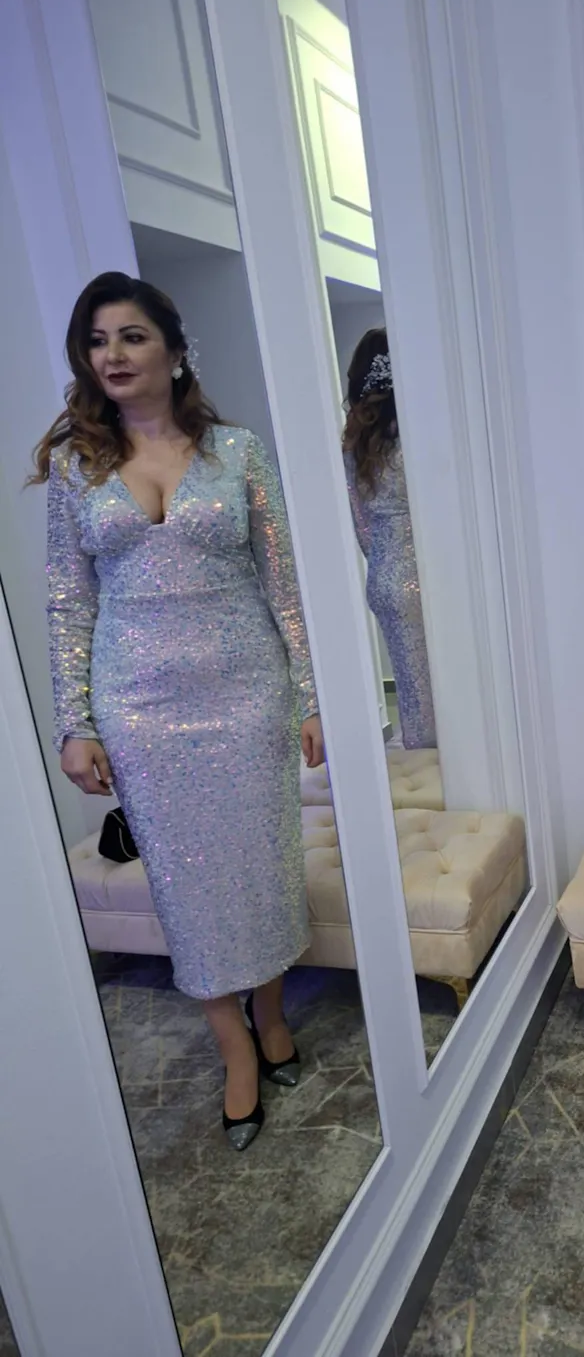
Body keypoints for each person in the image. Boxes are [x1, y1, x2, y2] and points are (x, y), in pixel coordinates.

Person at [33, 272, 324, 1152]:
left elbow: (285, 585)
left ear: (173, 347)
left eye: (131, 336)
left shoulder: (238, 452)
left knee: (262, 868)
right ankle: (234, 1046)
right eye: (97, 341)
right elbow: (66, 604)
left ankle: (271, 1012)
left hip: (246, 697)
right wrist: (77, 722)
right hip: (141, 710)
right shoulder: (77, 469)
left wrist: (310, 696)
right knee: (185, 887)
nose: (113, 355)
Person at [342, 328, 437, 751]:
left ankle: (425, 761)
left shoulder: (356, 445)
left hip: (384, 574)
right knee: (454, 683)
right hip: (428, 569)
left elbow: (361, 525)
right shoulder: (419, 436)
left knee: (414, 692)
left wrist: (385, 560)